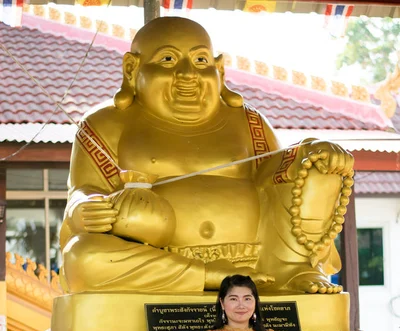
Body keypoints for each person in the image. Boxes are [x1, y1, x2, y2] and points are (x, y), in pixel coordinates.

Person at [60, 16, 353, 295]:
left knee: (317, 165)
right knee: (82, 257)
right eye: (167, 60)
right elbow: (84, 190)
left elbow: (277, 177)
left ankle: (292, 269)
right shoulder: (106, 124)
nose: (187, 74)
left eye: (200, 60)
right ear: (132, 69)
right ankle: (208, 276)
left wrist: (312, 151)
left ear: (220, 70)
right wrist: (85, 208)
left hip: (259, 259)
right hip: (155, 255)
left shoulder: (248, 123)